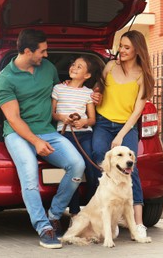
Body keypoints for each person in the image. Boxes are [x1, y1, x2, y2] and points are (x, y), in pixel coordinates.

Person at [0, 29, 85, 249]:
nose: (46, 54)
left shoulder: (48, 68)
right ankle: (43, 227)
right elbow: (14, 119)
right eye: (42, 51)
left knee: (77, 165)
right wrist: (35, 142)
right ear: (27, 51)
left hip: (48, 131)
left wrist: (92, 94)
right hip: (18, 135)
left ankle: (54, 213)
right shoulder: (4, 80)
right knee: (29, 172)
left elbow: (60, 92)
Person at [92, 30, 155, 239]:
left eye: (127, 47)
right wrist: (95, 95)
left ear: (138, 50)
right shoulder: (110, 66)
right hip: (102, 122)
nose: (122, 51)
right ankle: (107, 215)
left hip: (126, 126)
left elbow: (137, 111)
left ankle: (138, 223)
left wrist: (120, 135)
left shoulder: (142, 76)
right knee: (100, 157)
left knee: (131, 169)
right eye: (121, 46)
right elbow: (98, 89)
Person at [51, 55, 104, 217]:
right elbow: (53, 114)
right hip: (65, 135)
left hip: (84, 136)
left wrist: (83, 122)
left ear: (87, 76)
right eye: (73, 64)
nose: (74, 67)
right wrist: (63, 118)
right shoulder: (58, 89)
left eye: (79, 67)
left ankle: (91, 208)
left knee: (91, 171)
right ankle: (74, 212)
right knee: (74, 172)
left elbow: (92, 119)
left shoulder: (88, 93)